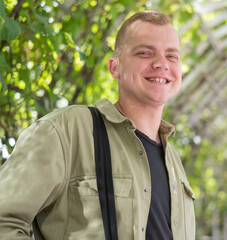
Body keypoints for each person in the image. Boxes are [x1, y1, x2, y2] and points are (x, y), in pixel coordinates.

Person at [0, 10, 196, 240]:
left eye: (172, 56)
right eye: (145, 52)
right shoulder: (68, 131)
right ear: (115, 67)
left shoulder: (173, 161)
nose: (161, 64)